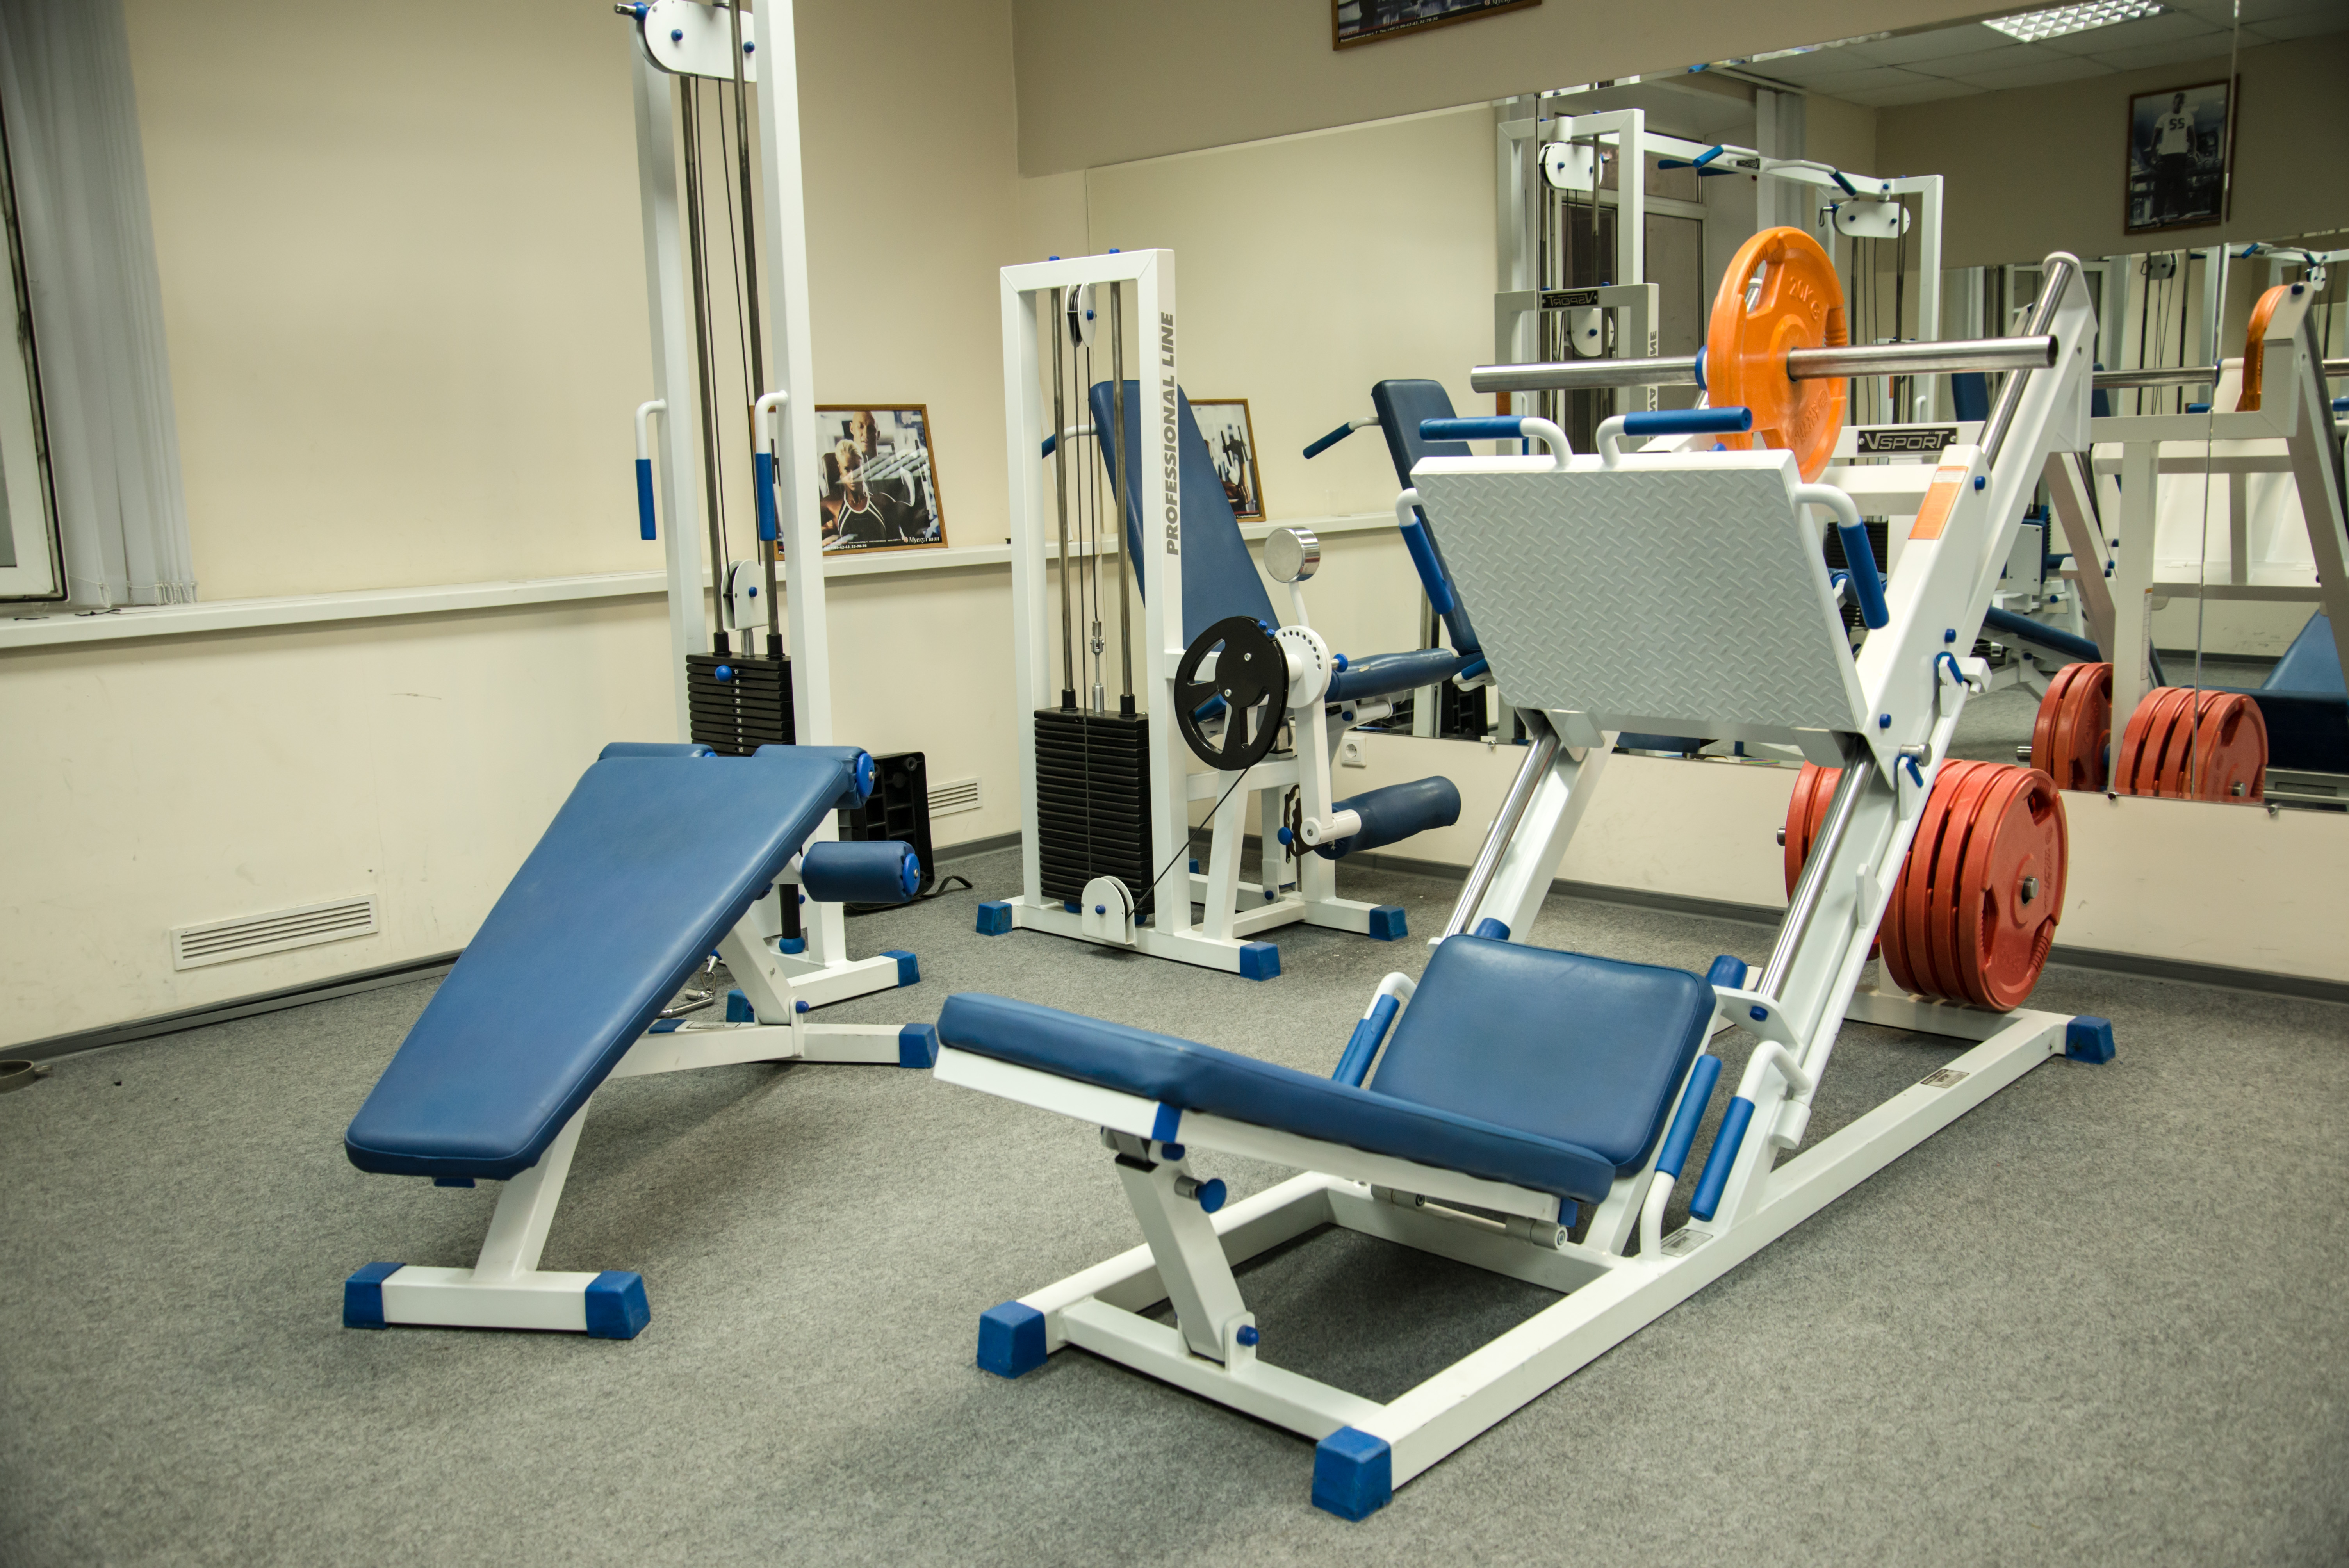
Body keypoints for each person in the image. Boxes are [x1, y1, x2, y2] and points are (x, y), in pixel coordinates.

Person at [2147, 92, 2197, 225]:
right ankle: (2156, 216)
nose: (2179, 105)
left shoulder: (2187, 116)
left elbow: (2192, 137)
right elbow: (2155, 137)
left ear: (2183, 104)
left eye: (2182, 103)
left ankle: (2184, 213)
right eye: (2178, 103)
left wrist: (2193, 153)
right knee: (2161, 187)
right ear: (2174, 102)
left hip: (2181, 155)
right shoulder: (2164, 118)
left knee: (2182, 185)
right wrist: (2154, 156)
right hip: (2166, 156)